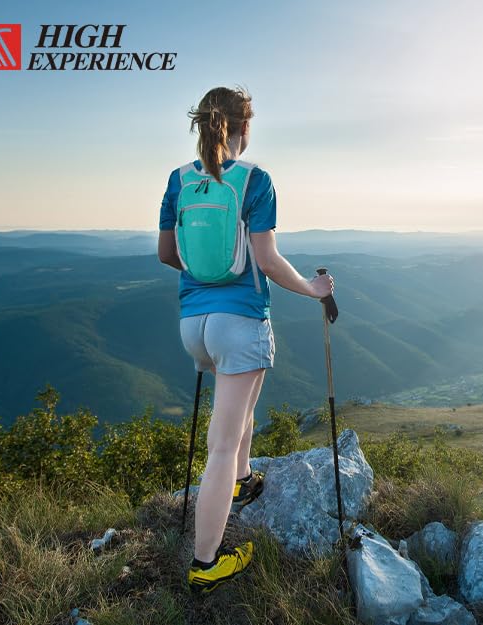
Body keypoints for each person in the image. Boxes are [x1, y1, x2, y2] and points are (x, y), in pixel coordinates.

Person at [157, 86, 335, 593]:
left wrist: (203, 277)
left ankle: (242, 480)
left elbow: (167, 254)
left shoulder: (178, 181)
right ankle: (206, 563)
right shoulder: (255, 180)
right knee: (220, 442)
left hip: (194, 324)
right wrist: (311, 289)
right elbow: (268, 260)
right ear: (244, 127)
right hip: (240, 323)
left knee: (241, 407)